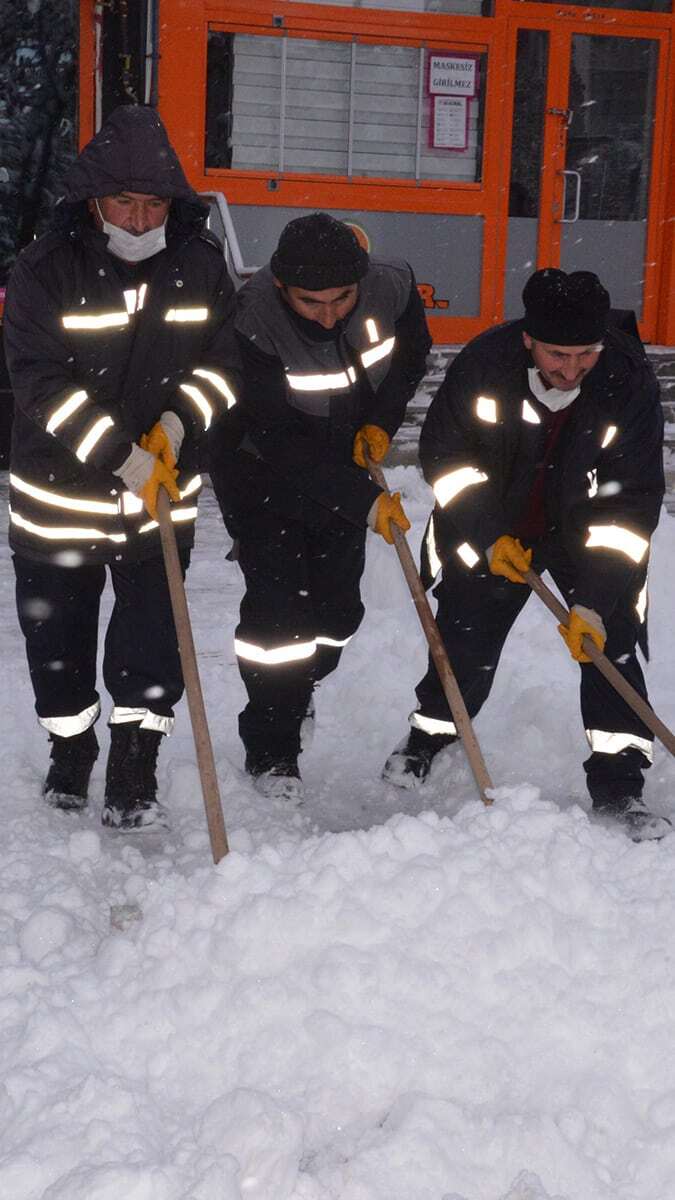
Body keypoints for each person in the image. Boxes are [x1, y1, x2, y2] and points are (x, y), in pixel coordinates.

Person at [3, 104, 241, 830]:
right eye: (123, 202)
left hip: (159, 500)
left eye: (153, 203)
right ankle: (70, 750)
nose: (139, 220)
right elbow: (39, 382)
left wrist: (178, 422)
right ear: (93, 201)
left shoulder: (200, 267)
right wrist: (120, 456)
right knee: (58, 647)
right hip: (58, 500)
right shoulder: (43, 268)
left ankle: (136, 759)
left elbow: (224, 364)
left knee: (150, 641)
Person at [383, 268, 667, 838]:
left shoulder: (626, 381)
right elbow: (449, 460)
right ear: (528, 340)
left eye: (585, 354)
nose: (571, 369)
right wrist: (488, 537)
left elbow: (631, 498)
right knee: (465, 636)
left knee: (609, 644)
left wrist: (593, 597)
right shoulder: (485, 366)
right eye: (558, 354)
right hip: (493, 523)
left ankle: (620, 785)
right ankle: (429, 736)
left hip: (586, 530)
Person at [209, 211, 431, 801]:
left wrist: (382, 422)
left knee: (335, 615)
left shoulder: (390, 285)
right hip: (259, 468)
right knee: (278, 620)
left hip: (345, 456)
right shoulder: (252, 319)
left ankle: (298, 689)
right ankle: (271, 747)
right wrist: (364, 503)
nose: (330, 313)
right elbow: (278, 437)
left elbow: (412, 354)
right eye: (311, 302)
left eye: (342, 298)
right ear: (282, 287)